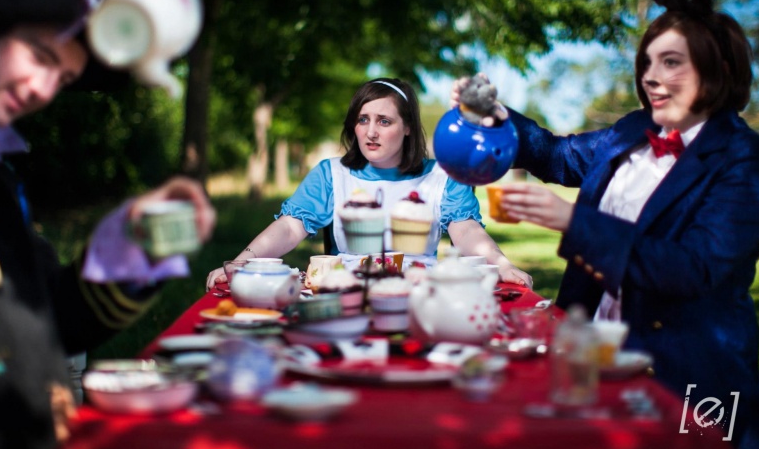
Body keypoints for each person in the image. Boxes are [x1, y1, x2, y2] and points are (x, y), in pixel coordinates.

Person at [449, 0, 759, 449]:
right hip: (593, 354)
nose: (651, 78)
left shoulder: (745, 160)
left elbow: (695, 269)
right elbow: (554, 153)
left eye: (671, 63)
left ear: (720, 70)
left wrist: (573, 224)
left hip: (690, 376)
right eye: (648, 62)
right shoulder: (629, 131)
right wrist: (498, 118)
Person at [0, 0, 217, 449]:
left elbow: (46, 317)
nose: (44, 89)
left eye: (64, 77)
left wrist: (131, 243)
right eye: (38, 55)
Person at [206, 78, 532, 290]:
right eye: (363, 120)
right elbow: (290, 228)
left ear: (407, 128)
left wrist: (501, 265)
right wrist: (242, 261)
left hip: (419, 298)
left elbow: (466, 231)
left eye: (384, 121)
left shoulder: (444, 176)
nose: (370, 132)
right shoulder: (330, 173)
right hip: (344, 297)